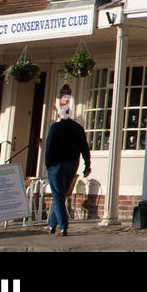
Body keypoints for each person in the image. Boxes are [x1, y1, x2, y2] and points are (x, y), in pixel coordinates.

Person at [44, 95, 91, 236]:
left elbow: (49, 147)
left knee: (58, 196)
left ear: (59, 114)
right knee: (61, 195)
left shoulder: (55, 127)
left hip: (57, 165)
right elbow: (85, 148)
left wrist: (48, 164)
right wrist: (87, 165)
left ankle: (63, 226)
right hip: (72, 164)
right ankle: (51, 224)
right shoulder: (78, 128)